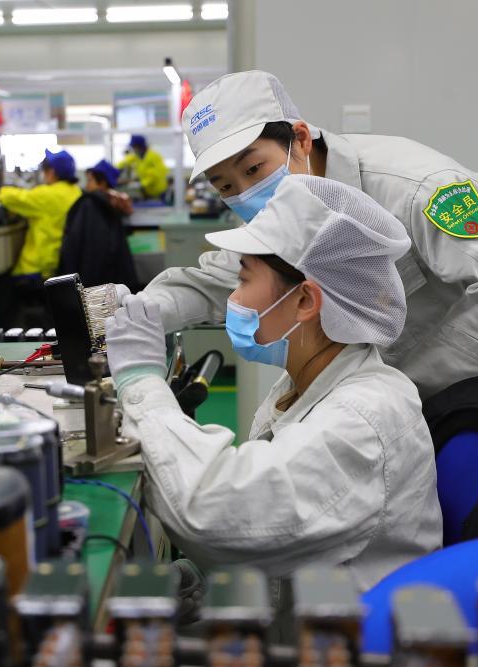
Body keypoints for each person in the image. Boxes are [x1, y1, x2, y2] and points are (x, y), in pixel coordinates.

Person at [136, 70, 478, 500]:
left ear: (299, 138)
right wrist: (128, 312)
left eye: (254, 168)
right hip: (399, 413)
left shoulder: (415, 187)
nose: (246, 193)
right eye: (226, 186)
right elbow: (220, 280)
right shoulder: (283, 211)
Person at [105, 175, 442, 606]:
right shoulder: (304, 383)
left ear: (305, 301)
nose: (234, 298)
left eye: (244, 280)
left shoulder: (363, 419)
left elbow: (212, 514)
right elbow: (285, 532)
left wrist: (140, 381)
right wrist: (201, 583)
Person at [0, 149, 82, 278]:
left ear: (52, 172)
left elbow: (10, 198)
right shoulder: (77, 192)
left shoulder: (47, 194)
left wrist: (1, 189)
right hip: (61, 264)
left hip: (37, 269)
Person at [58, 160, 139, 290]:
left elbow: (73, 243)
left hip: (90, 279)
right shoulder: (113, 203)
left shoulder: (89, 204)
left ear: (102, 183)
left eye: (90, 180)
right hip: (114, 282)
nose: (87, 185)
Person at [117, 134, 168, 199]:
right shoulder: (137, 156)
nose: (133, 149)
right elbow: (125, 162)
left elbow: (154, 176)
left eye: (134, 147)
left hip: (158, 191)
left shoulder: (154, 157)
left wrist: (138, 184)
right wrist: (115, 170)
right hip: (147, 191)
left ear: (140, 146)